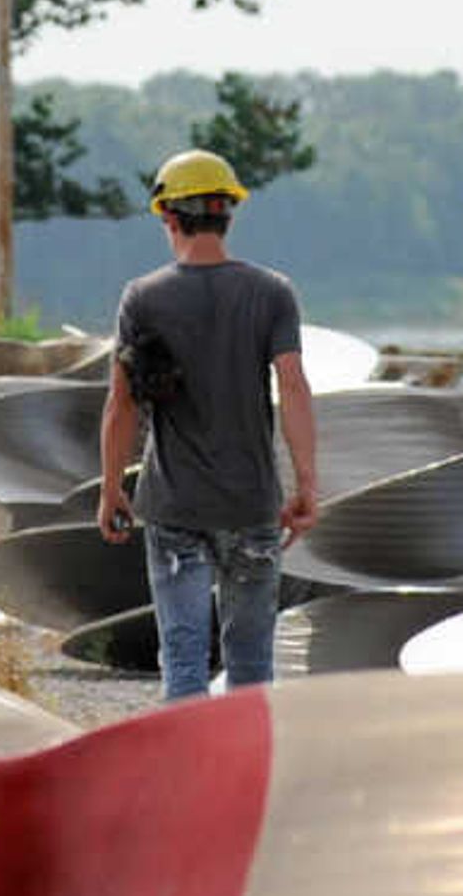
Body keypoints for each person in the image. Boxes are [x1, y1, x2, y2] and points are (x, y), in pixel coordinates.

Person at [92, 147, 319, 700]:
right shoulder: (272, 292)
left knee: (184, 658)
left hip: (174, 509)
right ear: (228, 214)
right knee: (250, 666)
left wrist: (110, 491)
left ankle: (186, 780)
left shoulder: (142, 298)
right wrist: (306, 486)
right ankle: (247, 780)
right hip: (252, 506)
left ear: (169, 217)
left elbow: (122, 404)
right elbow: (293, 386)